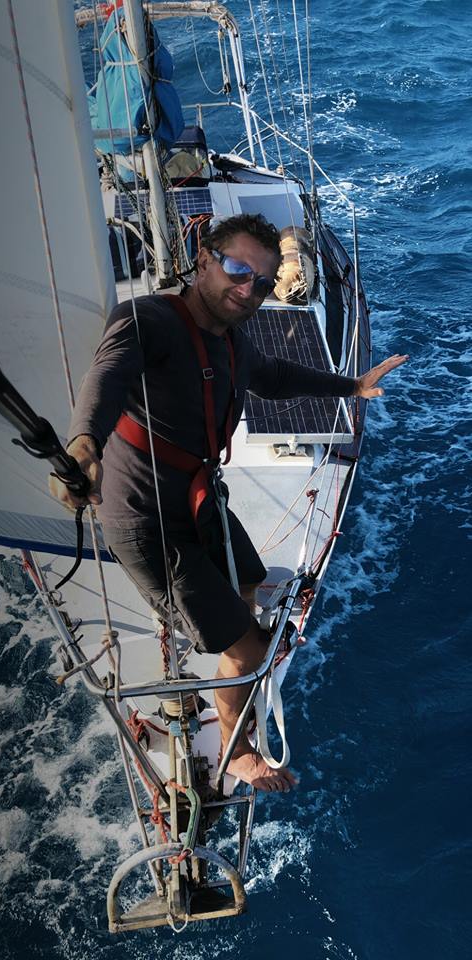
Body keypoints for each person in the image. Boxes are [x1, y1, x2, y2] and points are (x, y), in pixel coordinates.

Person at [50, 213, 408, 792]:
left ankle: (220, 630)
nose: (249, 289)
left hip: (196, 498)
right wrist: (84, 446)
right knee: (250, 649)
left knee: (252, 579)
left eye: (263, 282)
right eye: (238, 269)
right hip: (147, 520)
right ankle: (235, 750)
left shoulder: (231, 341)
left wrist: (352, 386)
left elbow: (274, 377)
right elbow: (107, 377)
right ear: (203, 260)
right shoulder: (147, 321)